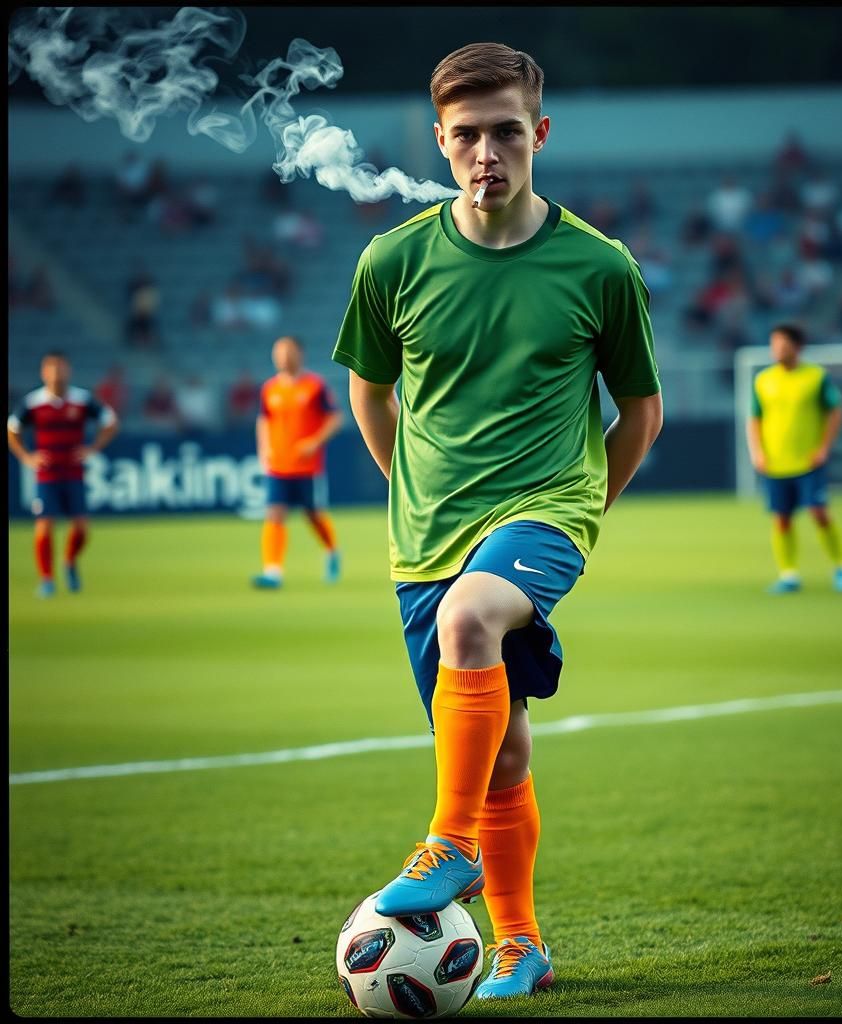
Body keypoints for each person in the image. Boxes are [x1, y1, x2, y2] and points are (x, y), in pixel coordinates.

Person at [333, 42, 662, 1001]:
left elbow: (640, 412)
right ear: (440, 141)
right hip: (428, 533)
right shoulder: (391, 260)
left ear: (539, 134)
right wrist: (409, 486)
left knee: (471, 619)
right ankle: (521, 943)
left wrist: (582, 512)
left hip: (545, 509)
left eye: (506, 132)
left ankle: (447, 845)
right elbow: (369, 391)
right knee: (505, 745)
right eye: (467, 134)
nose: (488, 152)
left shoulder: (600, 267)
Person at [746, 324, 842, 594]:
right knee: (781, 518)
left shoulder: (816, 377)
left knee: (819, 513)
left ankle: (840, 566)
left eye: (782, 344)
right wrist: (757, 452)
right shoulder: (764, 380)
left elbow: (836, 410)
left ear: (797, 346)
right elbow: (754, 419)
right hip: (775, 463)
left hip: (808, 461)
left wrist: (824, 446)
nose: (776, 350)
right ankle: (789, 574)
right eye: (773, 344)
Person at [7, 351, 119, 598]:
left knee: (81, 528)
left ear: (68, 370)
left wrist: (93, 448)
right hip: (46, 474)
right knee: (44, 525)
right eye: (51, 368)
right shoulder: (33, 403)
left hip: (73, 471)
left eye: (60, 368)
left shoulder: (81, 400)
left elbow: (110, 421)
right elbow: (12, 430)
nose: (56, 373)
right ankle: (46, 579)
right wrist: (26, 456)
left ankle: (69, 561)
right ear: (43, 372)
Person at [252, 336, 344, 589]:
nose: (283, 357)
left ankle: (332, 550)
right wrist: (264, 449)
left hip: (307, 466)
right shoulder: (269, 388)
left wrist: (315, 441)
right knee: (274, 512)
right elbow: (264, 420)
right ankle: (272, 571)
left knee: (313, 514)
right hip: (278, 465)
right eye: (278, 352)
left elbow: (336, 418)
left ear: (299, 354)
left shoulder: (315, 386)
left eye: (288, 351)